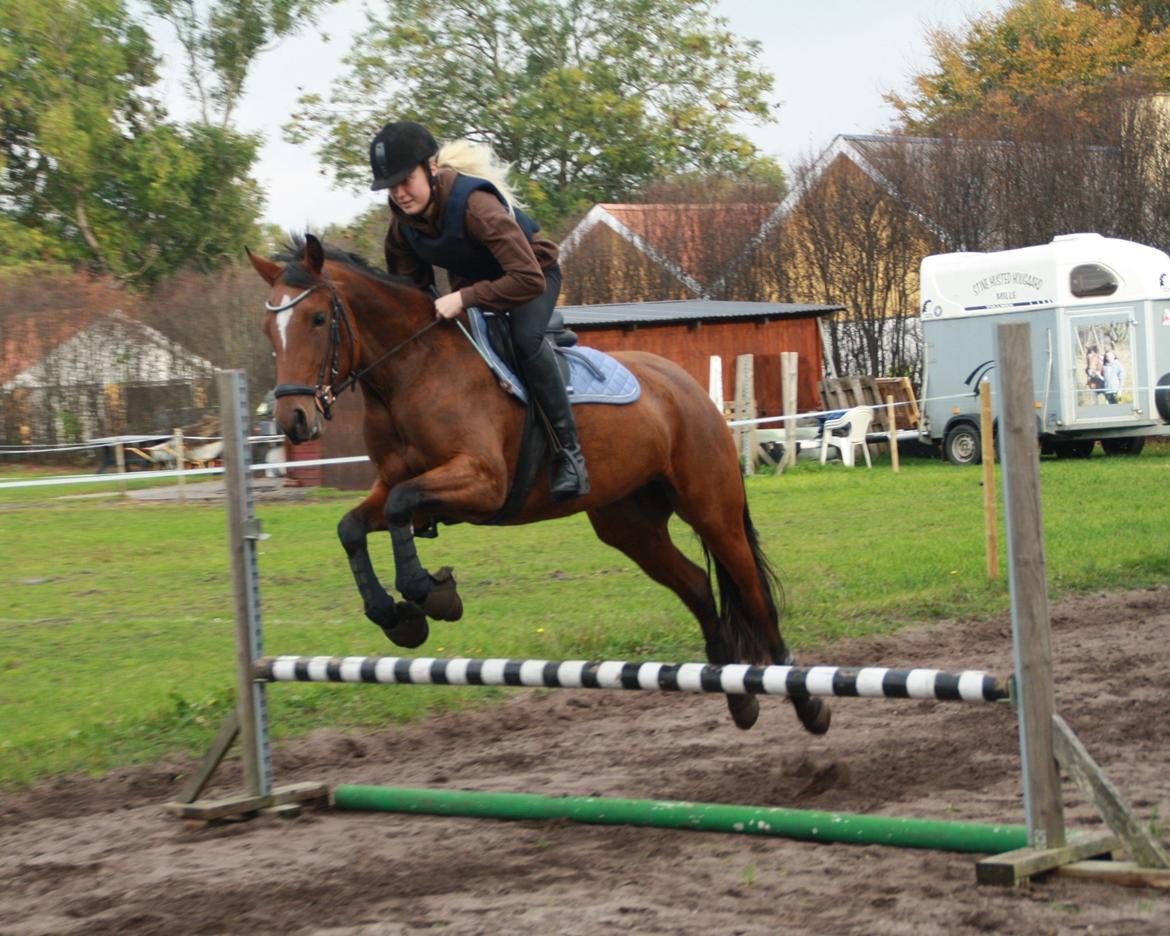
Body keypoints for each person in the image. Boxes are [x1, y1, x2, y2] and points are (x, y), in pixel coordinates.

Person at [370, 120, 589, 500]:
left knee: (525, 338)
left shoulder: (476, 205)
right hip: (475, 288)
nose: (400, 194)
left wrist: (465, 298)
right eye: (391, 186)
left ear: (432, 168)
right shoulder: (402, 228)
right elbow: (412, 296)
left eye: (406, 180)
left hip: (530, 277)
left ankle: (569, 454)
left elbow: (527, 279)